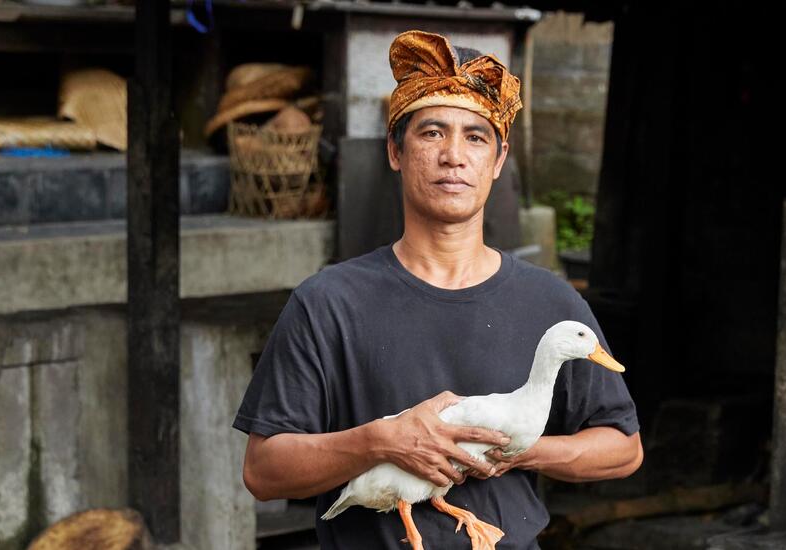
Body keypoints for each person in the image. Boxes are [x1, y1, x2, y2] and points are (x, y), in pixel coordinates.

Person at [234, 30, 643, 550]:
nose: (454, 155)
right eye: (432, 133)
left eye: (476, 137)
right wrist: (382, 440)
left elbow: (624, 449)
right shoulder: (328, 303)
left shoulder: (552, 305)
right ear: (396, 152)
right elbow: (264, 472)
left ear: (497, 162)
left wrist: (516, 448)